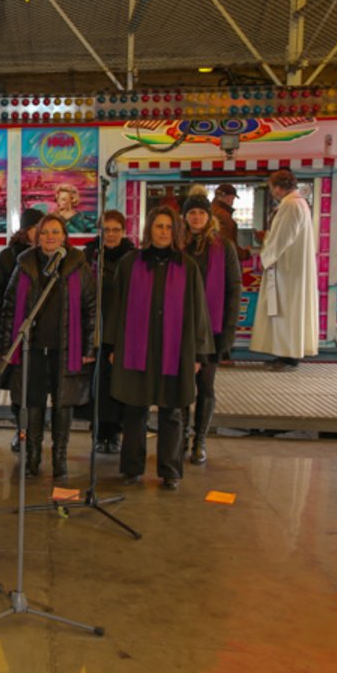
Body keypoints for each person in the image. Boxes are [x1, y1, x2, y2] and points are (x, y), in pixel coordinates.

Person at [104, 206, 212, 490]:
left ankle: (170, 470)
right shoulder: (130, 263)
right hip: (136, 347)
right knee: (135, 410)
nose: (164, 232)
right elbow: (117, 307)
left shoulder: (188, 267)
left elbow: (199, 313)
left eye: (168, 227)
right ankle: (131, 468)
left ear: (176, 231)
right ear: (149, 229)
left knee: (172, 411)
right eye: (159, 226)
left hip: (175, 349)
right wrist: (112, 345)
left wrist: (199, 354)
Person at [0, 215, 94, 479]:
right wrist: (7, 347)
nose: (50, 237)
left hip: (66, 349)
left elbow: (91, 308)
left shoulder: (78, 265)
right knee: (32, 402)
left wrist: (88, 348)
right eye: (44, 233)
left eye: (55, 232)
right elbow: (9, 308)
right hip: (32, 349)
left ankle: (60, 458)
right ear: (36, 237)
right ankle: (32, 456)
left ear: (64, 236)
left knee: (63, 404)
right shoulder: (25, 264)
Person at [181, 187, 241, 465]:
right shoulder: (178, 244)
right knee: (181, 386)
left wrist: (228, 332)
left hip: (211, 330)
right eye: (191, 213)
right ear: (185, 217)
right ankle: (181, 436)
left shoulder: (224, 247)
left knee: (205, 385)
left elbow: (233, 290)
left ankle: (200, 440)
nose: (196, 217)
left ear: (208, 216)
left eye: (200, 213)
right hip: (180, 328)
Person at [250, 169, 319, 371]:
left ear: (279, 188)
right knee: (288, 311)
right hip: (293, 267)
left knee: (286, 311)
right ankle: (285, 353)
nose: (272, 192)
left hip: (288, 269)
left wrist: (266, 256)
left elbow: (282, 237)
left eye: (272, 188)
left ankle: (288, 355)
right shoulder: (299, 203)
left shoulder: (290, 205)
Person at [82, 209, 135, 454]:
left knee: (118, 383)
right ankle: (98, 430)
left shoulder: (133, 258)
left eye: (116, 230)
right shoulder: (89, 255)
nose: (111, 234)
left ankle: (114, 432)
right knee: (96, 383)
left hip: (122, 329)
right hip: (94, 328)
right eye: (106, 230)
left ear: (123, 232)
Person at [0, 206, 44, 453]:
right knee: (18, 387)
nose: (39, 233)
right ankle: (21, 430)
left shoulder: (51, 256)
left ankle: (35, 434)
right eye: (35, 228)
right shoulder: (8, 256)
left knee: (37, 388)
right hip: (16, 331)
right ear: (25, 230)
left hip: (43, 334)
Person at [210, 184, 251, 260]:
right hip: (223, 261)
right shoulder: (223, 215)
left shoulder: (210, 211)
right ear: (229, 197)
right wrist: (245, 254)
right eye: (233, 199)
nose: (232, 202)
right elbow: (227, 244)